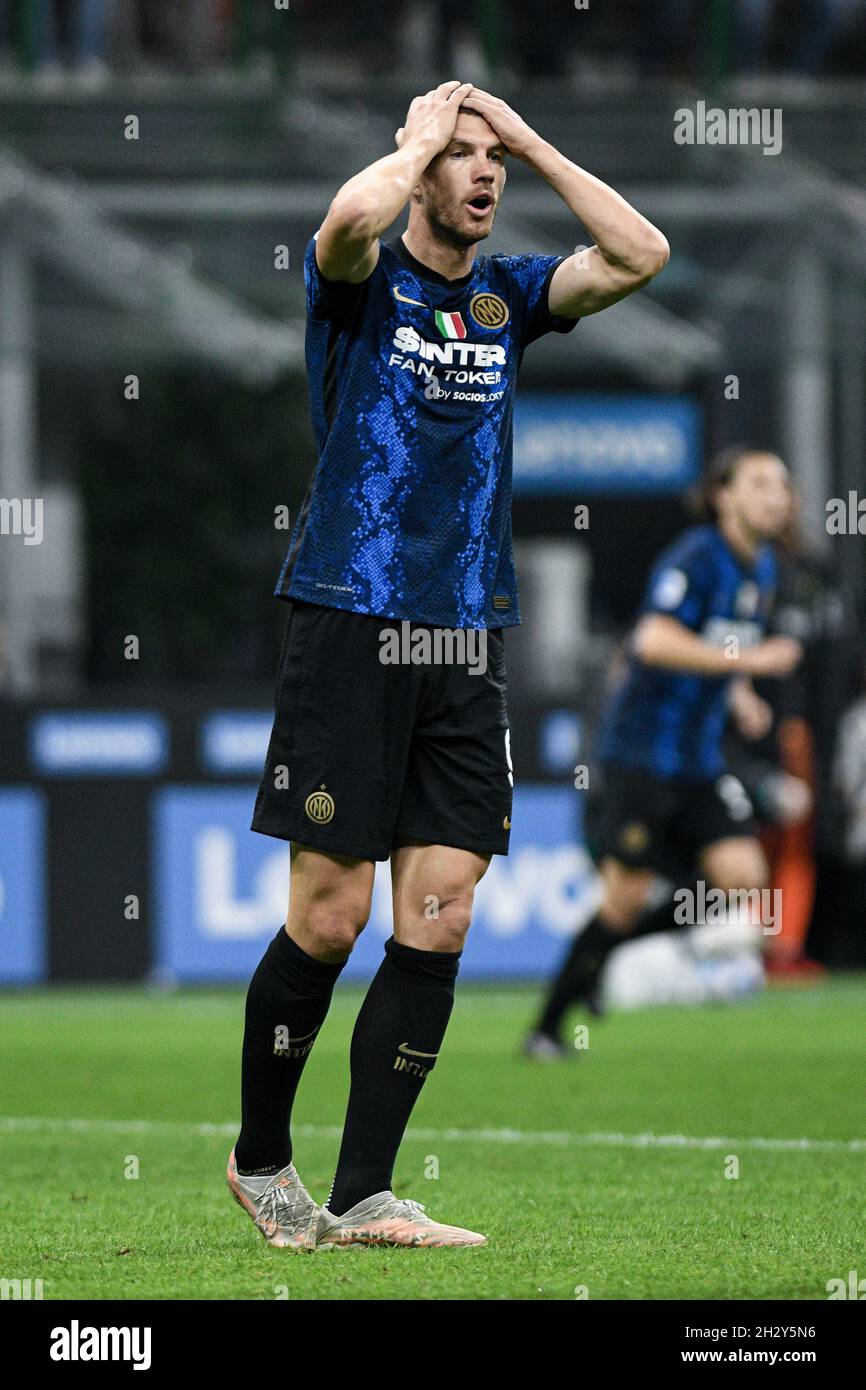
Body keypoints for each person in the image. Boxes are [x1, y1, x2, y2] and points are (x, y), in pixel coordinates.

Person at [226, 79, 669, 1248]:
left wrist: (527, 134)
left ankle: (366, 1193)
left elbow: (639, 251)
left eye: (493, 163)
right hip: (347, 617)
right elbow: (340, 222)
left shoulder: (509, 295)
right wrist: (419, 138)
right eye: (461, 159)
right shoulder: (361, 283)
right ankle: (262, 1164)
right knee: (329, 917)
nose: (481, 175)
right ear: (417, 167)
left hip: (466, 633)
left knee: (441, 912)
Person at [526, 446, 803, 1058]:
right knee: (622, 903)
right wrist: (747, 662)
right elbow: (652, 638)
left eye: (781, 485)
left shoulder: (761, 568)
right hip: (644, 757)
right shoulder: (697, 556)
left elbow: (715, 642)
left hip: (699, 761)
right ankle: (547, 1027)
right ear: (723, 495)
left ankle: (613, 955)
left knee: (742, 880)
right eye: (760, 483)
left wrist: (739, 692)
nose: (776, 496)